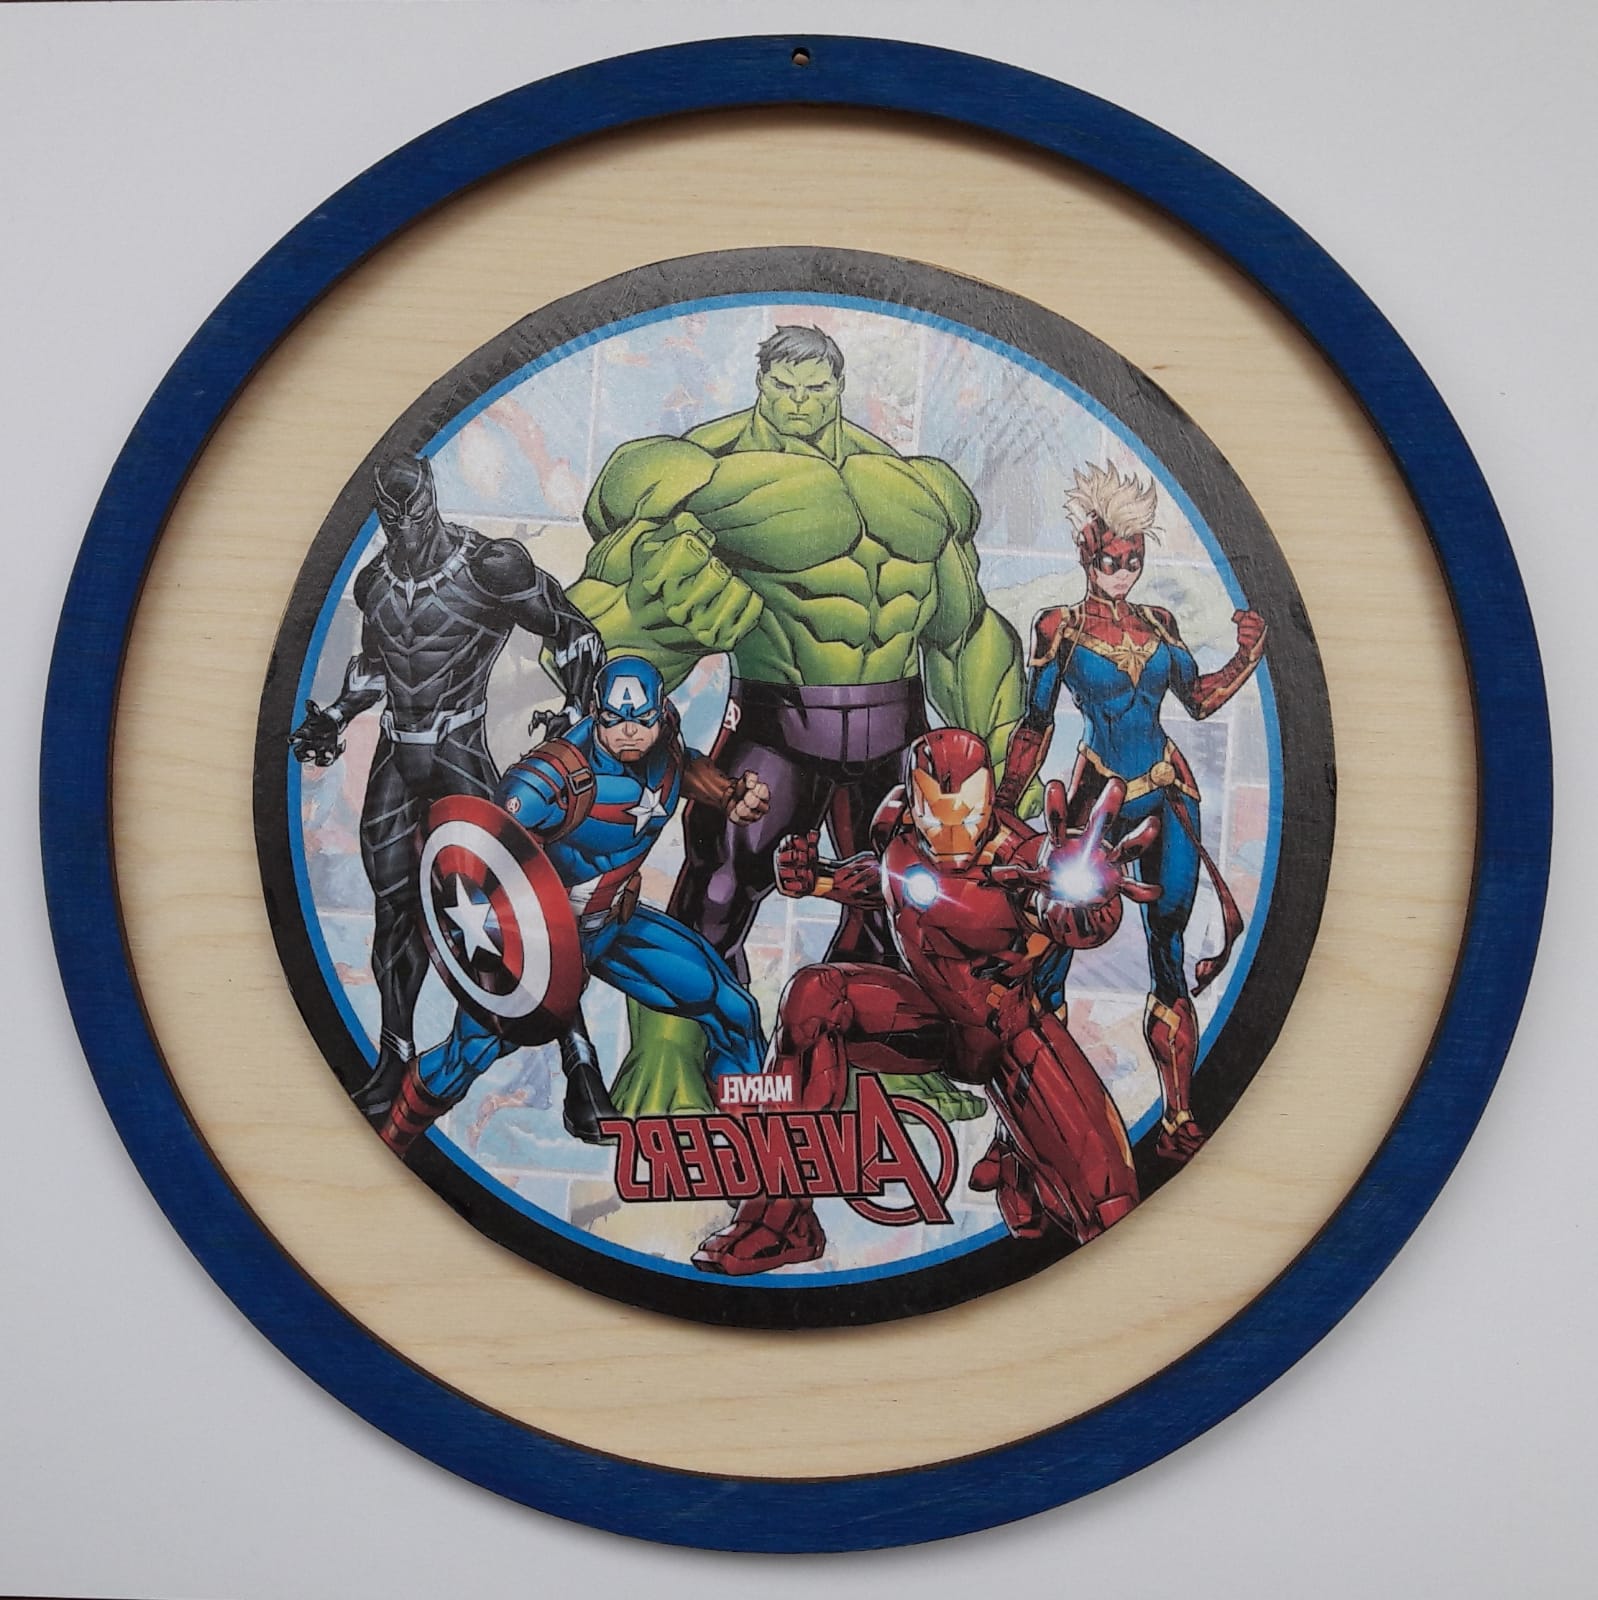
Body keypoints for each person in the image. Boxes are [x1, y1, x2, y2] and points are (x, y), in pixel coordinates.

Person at [569, 325, 1025, 1121]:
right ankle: (672, 1065)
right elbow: (596, 606)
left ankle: (882, 1070)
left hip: (898, 726)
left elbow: (963, 631)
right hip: (779, 722)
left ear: (839, 386)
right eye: (785, 388)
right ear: (761, 384)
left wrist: (999, 751)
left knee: (896, 901)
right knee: (720, 885)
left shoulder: (916, 488)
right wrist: (653, 593)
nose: (802, 404)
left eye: (817, 389)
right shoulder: (695, 473)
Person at [693, 728, 1156, 1276]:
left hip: (1006, 1035)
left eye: (966, 815)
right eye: (935, 815)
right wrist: (814, 881)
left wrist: (1090, 895)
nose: (951, 832)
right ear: (913, 800)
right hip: (927, 1018)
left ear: (987, 801)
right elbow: (886, 884)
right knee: (814, 997)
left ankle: (1022, 1169)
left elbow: (1071, 913)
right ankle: (779, 1220)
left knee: (1111, 1209)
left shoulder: (1022, 860)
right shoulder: (896, 827)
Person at [290, 453, 603, 1119]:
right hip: (397, 756)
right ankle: (393, 1062)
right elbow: (375, 669)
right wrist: (336, 717)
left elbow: (574, 630)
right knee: (394, 911)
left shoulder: (489, 566)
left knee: (523, 910)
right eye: (390, 513)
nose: (402, 525)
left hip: (460, 750)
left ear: (430, 498)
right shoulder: (374, 583)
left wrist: (575, 715)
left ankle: (581, 1068)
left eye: (411, 509)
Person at [379, 656, 772, 1157]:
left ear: (661, 713)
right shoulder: (549, 780)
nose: (629, 733)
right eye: (614, 721)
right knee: (466, 1056)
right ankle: (391, 1140)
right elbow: (482, 860)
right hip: (540, 954)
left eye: (642, 721)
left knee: (733, 1010)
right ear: (594, 712)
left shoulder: (664, 743)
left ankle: (755, 1148)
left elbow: (683, 766)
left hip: (613, 928)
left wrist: (729, 794)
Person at [995, 464, 1267, 1163]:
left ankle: (1178, 1117)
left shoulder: (1158, 623)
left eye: (1133, 560)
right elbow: (1036, 725)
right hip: (1096, 802)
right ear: (1087, 554)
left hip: (1168, 794)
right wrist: (1000, 805)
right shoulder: (1058, 627)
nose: (1122, 573)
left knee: (1167, 952)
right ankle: (1016, 1131)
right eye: (1110, 561)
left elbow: (1198, 701)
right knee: (1051, 950)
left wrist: (1247, 654)